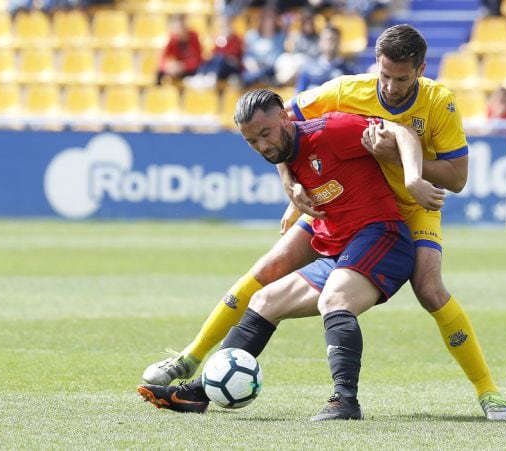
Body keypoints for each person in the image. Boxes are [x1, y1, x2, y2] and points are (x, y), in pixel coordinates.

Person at [142, 24, 506, 421]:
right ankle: (192, 370)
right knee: (265, 284)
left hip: (406, 206)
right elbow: (281, 134)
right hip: (341, 207)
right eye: (384, 75)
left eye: (401, 78)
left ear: (421, 70)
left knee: (427, 288)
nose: (390, 87)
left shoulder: (438, 103)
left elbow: (455, 177)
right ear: (376, 64)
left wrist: (406, 171)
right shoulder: (343, 92)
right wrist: (291, 187)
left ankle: (485, 391)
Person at [138, 89, 444, 420]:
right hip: (342, 251)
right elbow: (284, 153)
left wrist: (414, 179)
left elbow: (402, 131)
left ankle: (345, 401)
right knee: (264, 302)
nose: (263, 147)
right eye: (253, 142)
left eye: (265, 134)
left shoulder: (331, 130)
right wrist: (289, 183)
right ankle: (198, 393)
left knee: (335, 299)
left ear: (285, 117)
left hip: (383, 239)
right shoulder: (285, 151)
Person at [295, 25, 358, 93]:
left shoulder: (350, 71)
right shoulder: (308, 68)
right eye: (328, 39)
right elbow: (298, 97)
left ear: (339, 42)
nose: (331, 43)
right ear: (320, 42)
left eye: (334, 39)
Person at [241, 9, 286, 87]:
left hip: (270, 68)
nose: (269, 23)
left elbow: (277, 55)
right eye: (266, 20)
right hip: (254, 68)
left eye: (271, 20)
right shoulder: (252, 36)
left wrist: (263, 65)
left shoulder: (280, 37)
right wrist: (252, 64)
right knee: (247, 76)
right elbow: (248, 55)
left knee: (260, 74)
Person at [155, 15, 203, 86]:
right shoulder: (172, 39)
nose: (180, 30)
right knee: (159, 73)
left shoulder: (193, 36)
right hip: (177, 68)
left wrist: (184, 66)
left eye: (182, 27)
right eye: (177, 28)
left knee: (199, 73)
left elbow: (198, 60)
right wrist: (168, 66)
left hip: (190, 69)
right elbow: (162, 58)